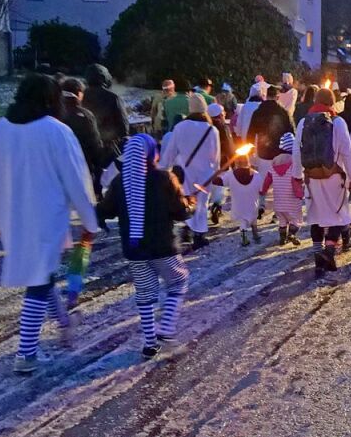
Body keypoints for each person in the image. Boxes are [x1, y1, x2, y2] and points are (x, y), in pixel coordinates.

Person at [0, 74, 99, 373]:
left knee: (40, 272)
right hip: (47, 215)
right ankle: (26, 353)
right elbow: (76, 178)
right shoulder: (56, 131)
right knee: (39, 277)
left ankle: (62, 322)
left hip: (11, 217)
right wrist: (89, 218)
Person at [96, 134, 194, 359]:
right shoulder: (164, 178)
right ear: (150, 154)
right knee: (178, 282)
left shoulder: (120, 182)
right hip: (162, 247)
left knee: (145, 293)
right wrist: (191, 204)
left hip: (134, 249)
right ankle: (166, 331)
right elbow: (180, 212)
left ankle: (150, 343)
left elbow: (106, 210)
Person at [291, 87, 351, 275]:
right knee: (337, 215)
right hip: (334, 176)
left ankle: (317, 256)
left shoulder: (304, 122)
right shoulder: (337, 122)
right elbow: (346, 151)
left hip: (312, 177)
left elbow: (296, 151)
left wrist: (296, 176)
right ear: (331, 103)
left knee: (316, 216)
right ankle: (329, 251)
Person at [159, 94, 220, 251]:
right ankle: (199, 235)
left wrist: (163, 169)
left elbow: (171, 152)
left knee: (187, 200)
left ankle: (187, 228)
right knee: (201, 204)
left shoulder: (180, 127)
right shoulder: (212, 130)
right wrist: (215, 172)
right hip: (206, 172)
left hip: (185, 171)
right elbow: (216, 156)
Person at [59, 78, 103, 196]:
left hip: (56, 172)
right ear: (79, 94)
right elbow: (95, 145)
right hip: (81, 169)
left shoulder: (52, 114)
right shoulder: (85, 116)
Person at [216, 154, 269, 246]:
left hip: (238, 205)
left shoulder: (230, 174)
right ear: (248, 162)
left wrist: (212, 177)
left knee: (243, 221)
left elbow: (220, 182)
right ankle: (255, 234)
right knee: (253, 218)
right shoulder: (256, 175)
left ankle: (244, 236)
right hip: (252, 204)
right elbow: (262, 190)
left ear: (236, 162)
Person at [82, 63, 129, 162]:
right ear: (103, 77)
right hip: (107, 150)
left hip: (84, 150)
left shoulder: (81, 96)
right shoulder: (113, 98)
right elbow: (124, 127)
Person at [270, 132, 303, 246]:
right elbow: (296, 180)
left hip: (278, 200)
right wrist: (300, 194)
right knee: (296, 219)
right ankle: (292, 234)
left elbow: (268, 179)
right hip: (292, 199)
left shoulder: (274, 161)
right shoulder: (295, 161)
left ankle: (282, 238)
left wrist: (263, 191)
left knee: (282, 221)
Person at [249, 84, 295, 163]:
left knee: (264, 174)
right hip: (280, 152)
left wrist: (250, 150)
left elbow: (251, 133)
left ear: (266, 96)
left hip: (263, 152)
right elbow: (291, 132)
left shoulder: (258, 112)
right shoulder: (284, 113)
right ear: (277, 97)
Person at [207, 103, 234, 226]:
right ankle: (217, 207)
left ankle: (208, 206)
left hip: (206, 162)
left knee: (209, 187)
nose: (224, 114)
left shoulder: (205, 126)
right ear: (220, 114)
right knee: (220, 187)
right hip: (222, 161)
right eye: (223, 112)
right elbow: (229, 145)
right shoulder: (223, 127)